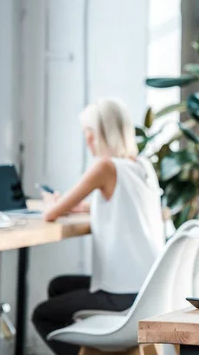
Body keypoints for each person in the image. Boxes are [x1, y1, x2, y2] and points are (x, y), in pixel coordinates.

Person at [32, 98, 165, 355]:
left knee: (43, 315)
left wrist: (52, 202)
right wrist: (87, 209)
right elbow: (126, 205)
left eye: (88, 134)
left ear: (101, 135)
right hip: (147, 290)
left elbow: (50, 214)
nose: (87, 142)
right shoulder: (141, 165)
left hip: (123, 297)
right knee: (59, 286)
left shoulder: (105, 166)